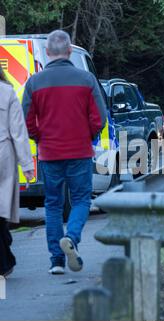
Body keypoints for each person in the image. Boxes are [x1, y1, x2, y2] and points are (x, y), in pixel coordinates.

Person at [22, 30, 107, 275]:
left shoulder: (34, 82)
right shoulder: (87, 79)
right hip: (79, 151)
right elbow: (99, 118)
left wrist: (40, 138)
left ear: (47, 53)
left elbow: (27, 121)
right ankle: (71, 237)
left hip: (49, 153)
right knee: (81, 199)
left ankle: (56, 261)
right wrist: (87, 136)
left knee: (53, 205)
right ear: (70, 51)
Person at [0, 66, 35, 276]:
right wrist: (27, 165)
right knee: (2, 206)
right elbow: (18, 132)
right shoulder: (6, 92)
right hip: (3, 152)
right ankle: (5, 260)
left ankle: (6, 258)